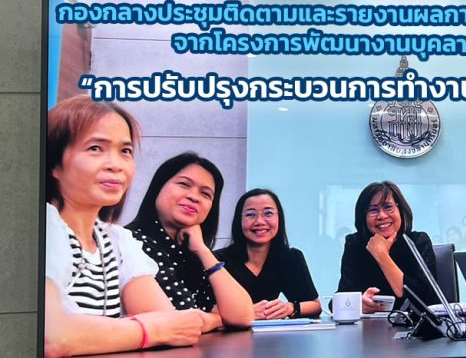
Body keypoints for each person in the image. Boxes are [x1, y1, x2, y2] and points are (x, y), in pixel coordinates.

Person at [44, 96, 203, 357]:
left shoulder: (117, 240)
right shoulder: (43, 227)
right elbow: (52, 337)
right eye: (95, 148)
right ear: (54, 164)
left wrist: (91, 334)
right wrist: (150, 330)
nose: (115, 165)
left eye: (125, 151)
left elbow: (173, 325)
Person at [126, 152, 254, 331]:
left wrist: (203, 250)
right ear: (158, 187)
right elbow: (180, 322)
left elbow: (243, 316)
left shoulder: (193, 252)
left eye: (206, 194)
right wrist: (219, 318)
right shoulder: (133, 243)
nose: (194, 197)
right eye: (184, 184)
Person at [216, 188, 321, 320]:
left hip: (272, 332)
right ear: (239, 220)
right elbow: (205, 310)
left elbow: (315, 306)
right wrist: (245, 313)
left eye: (268, 213)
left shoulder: (290, 258)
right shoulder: (217, 261)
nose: (260, 221)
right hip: (228, 332)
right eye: (250, 214)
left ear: (279, 218)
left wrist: (290, 307)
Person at [337, 181, 439, 313]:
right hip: (368, 325)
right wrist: (358, 304)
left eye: (388, 207)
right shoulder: (355, 244)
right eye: (373, 210)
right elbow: (339, 300)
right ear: (363, 216)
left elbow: (428, 299)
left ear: (400, 210)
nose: (382, 216)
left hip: (413, 323)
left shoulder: (417, 241)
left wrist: (382, 255)